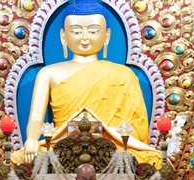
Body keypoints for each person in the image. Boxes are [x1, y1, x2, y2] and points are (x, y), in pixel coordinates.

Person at [13, 0, 160, 166]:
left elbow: (135, 126)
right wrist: (31, 139)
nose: (84, 37)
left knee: (152, 160)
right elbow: (35, 117)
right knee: (18, 160)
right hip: (64, 147)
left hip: (111, 147)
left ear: (107, 36)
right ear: (63, 36)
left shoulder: (124, 74)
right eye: (76, 31)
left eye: (93, 31)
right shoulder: (48, 73)